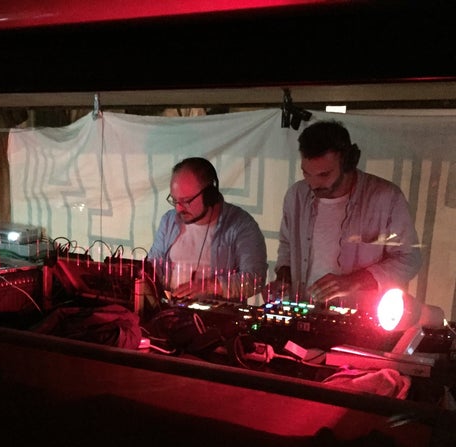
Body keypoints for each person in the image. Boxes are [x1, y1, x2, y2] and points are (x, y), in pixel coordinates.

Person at [269, 120, 422, 310]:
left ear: (348, 162)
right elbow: (287, 246)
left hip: (360, 317)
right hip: (303, 310)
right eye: (306, 173)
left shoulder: (386, 198)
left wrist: (353, 282)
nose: (313, 184)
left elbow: (409, 259)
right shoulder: (296, 195)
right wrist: (283, 278)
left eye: (324, 175)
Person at [148, 157, 268, 303]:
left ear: (209, 195)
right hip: (171, 312)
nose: (179, 209)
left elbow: (255, 279)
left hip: (218, 316)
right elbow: (152, 267)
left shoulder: (241, 225)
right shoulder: (169, 221)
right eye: (175, 200)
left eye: (186, 201)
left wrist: (209, 286)